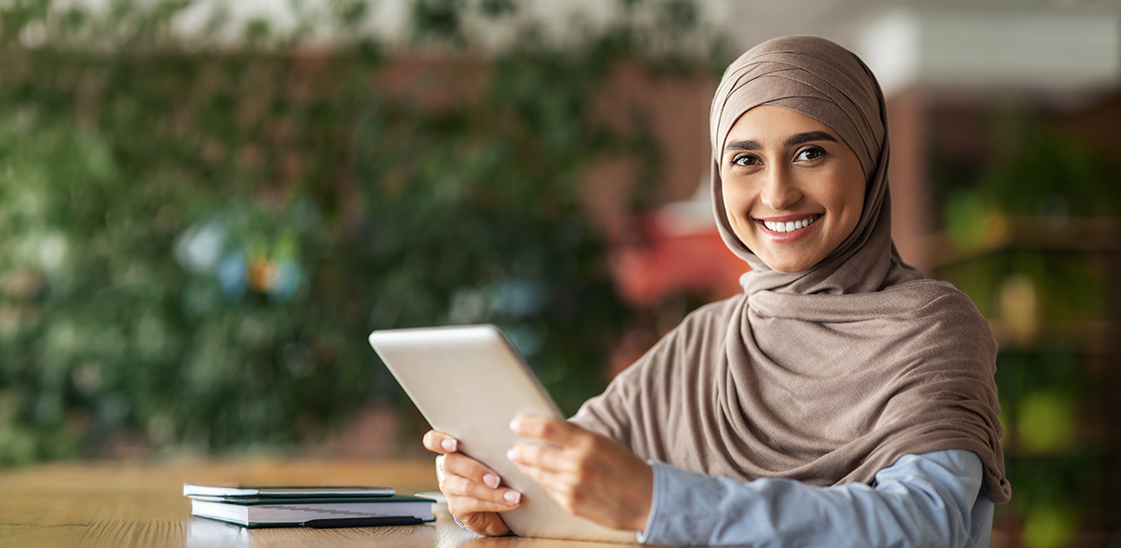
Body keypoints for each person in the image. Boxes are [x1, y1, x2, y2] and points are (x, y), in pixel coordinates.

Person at [422, 35, 1010, 547]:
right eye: (746, 159)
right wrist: (498, 496)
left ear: (871, 161)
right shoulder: (707, 340)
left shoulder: (932, 325)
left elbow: (923, 525)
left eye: (811, 153)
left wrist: (663, 502)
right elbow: (573, 471)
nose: (777, 194)